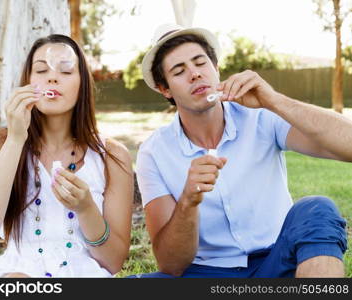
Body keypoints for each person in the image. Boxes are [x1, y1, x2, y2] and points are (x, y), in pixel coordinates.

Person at [135, 24, 351, 278]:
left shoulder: (262, 116)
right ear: (165, 89)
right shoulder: (153, 153)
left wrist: (274, 100)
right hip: (208, 273)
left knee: (317, 209)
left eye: (200, 63)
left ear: (215, 69)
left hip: (278, 261)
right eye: (179, 71)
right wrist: (187, 201)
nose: (194, 74)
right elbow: (171, 265)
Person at [0, 34, 133, 278]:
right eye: (41, 70)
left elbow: (113, 261)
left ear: (82, 83)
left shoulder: (112, 156)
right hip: (18, 275)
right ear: (27, 82)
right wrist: (15, 139)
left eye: (65, 71)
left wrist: (86, 209)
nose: (52, 77)